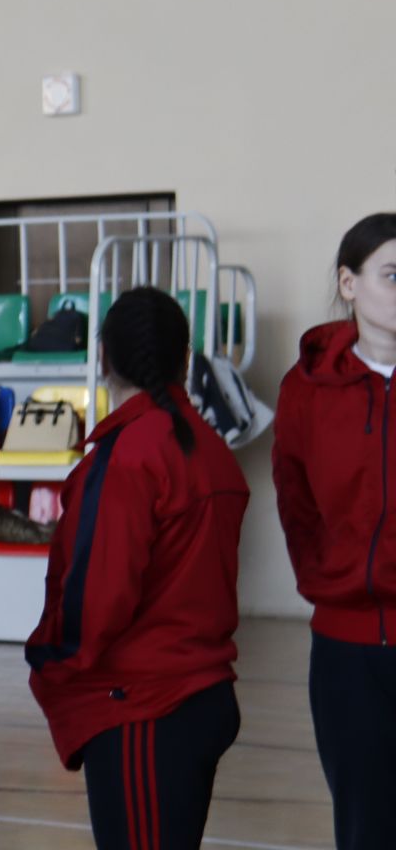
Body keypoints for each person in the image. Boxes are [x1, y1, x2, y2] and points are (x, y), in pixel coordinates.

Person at [28, 287, 248, 850]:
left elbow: (98, 593)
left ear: (102, 357)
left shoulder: (129, 454)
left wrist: (50, 662)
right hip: (201, 693)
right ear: (186, 359)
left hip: (146, 707)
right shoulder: (209, 447)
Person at [271, 211, 396, 850]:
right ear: (349, 283)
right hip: (345, 648)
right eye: (392, 274)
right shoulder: (307, 388)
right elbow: (295, 502)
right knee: (364, 824)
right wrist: (325, 577)